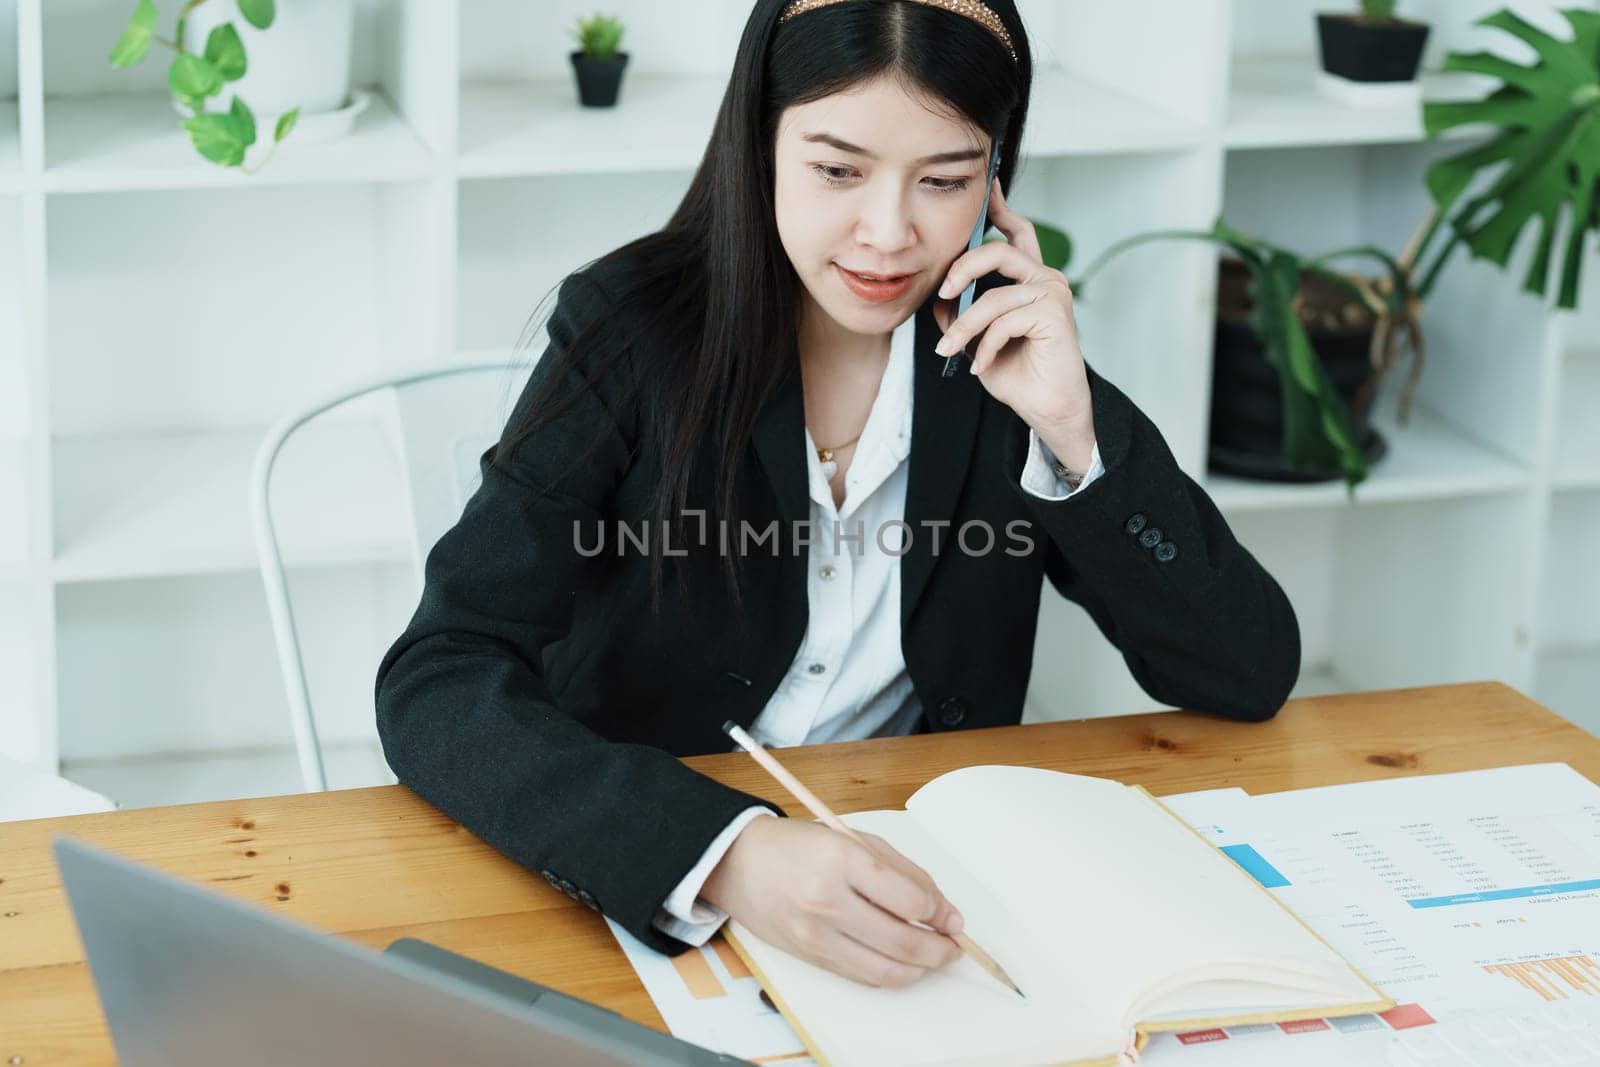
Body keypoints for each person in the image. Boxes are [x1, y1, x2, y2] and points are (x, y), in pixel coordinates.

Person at [376, 0, 1300, 992]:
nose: (889, 233)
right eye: (837, 169)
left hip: (920, 902)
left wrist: (1074, 433)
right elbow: (440, 673)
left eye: (944, 180)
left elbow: (1243, 671)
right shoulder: (629, 332)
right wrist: (728, 853)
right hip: (650, 884)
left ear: (996, 180)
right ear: (758, 144)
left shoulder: (1003, 364)